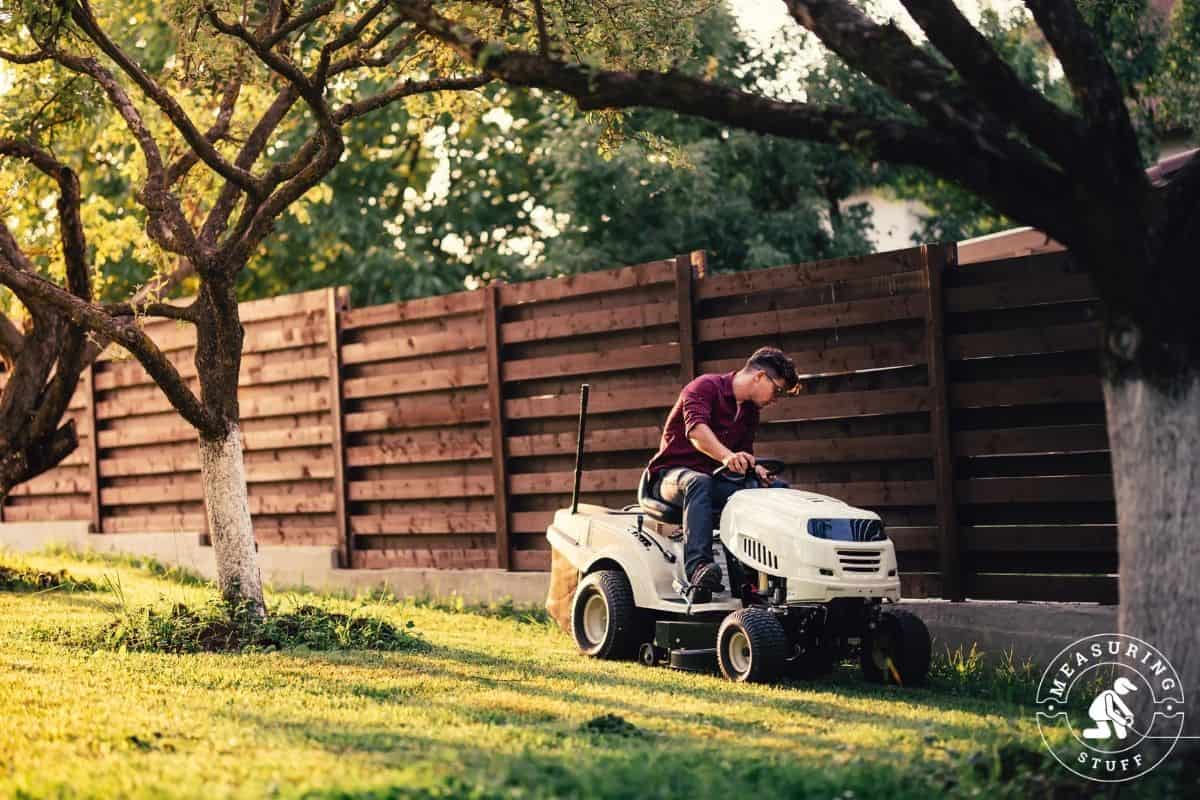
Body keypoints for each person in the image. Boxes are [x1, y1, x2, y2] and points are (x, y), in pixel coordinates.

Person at [645, 346, 801, 592]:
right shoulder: (705, 387)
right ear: (759, 377)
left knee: (777, 490)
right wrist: (727, 456)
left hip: (712, 480)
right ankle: (699, 568)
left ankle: (766, 575)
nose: (775, 399)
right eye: (777, 390)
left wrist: (755, 467)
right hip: (670, 478)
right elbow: (696, 431)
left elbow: (744, 453)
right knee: (698, 482)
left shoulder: (750, 412)